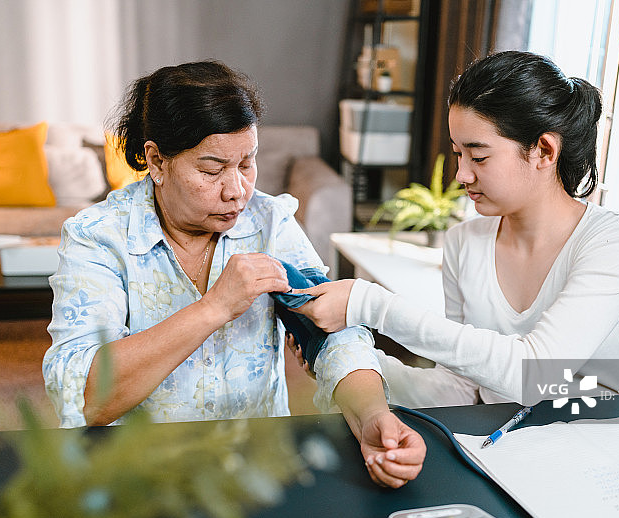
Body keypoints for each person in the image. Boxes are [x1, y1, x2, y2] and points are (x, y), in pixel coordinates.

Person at [43, 60, 424, 488]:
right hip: (140, 480)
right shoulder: (98, 237)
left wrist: (372, 415)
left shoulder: (269, 223)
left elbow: (333, 333)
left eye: (246, 163)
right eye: (212, 170)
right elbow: (84, 395)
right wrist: (214, 308)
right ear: (157, 160)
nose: (237, 191)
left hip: (254, 473)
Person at [293, 51, 619, 407]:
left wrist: (371, 305)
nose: (462, 175)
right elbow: (458, 390)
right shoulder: (464, 242)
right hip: (501, 438)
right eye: (458, 154)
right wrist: (350, 363)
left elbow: (536, 374)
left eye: (479, 156)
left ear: (544, 151)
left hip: (593, 436)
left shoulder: (618, 242)